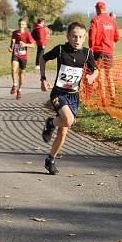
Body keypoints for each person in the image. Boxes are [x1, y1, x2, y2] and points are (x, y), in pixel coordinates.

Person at [40, 22, 99, 174]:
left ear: (84, 38)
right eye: (74, 36)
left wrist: (92, 77)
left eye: (80, 37)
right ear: (68, 37)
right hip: (58, 94)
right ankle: (50, 123)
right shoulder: (60, 49)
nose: (77, 39)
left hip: (74, 96)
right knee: (68, 120)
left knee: (63, 132)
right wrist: (43, 78)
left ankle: (50, 159)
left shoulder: (86, 53)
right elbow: (43, 58)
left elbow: (96, 70)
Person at [88, 1, 120, 107]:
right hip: (109, 52)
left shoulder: (95, 20)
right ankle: (113, 100)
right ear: (105, 8)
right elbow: (117, 37)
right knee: (109, 77)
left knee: (100, 77)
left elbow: (92, 37)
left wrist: (90, 48)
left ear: (96, 9)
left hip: (98, 52)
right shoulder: (112, 20)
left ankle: (103, 101)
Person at [8, 18, 35, 100]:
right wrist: (10, 48)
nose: (21, 26)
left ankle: (19, 90)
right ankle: (15, 85)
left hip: (23, 56)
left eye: (23, 24)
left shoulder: (27, 34)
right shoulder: (14, 33)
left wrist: (25, 44)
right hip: (15, 54)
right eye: (20, 24)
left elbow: (33, 45)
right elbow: (12, 43)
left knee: (21, 74)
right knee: (13, 68)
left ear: (25, 25)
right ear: (18, 25)